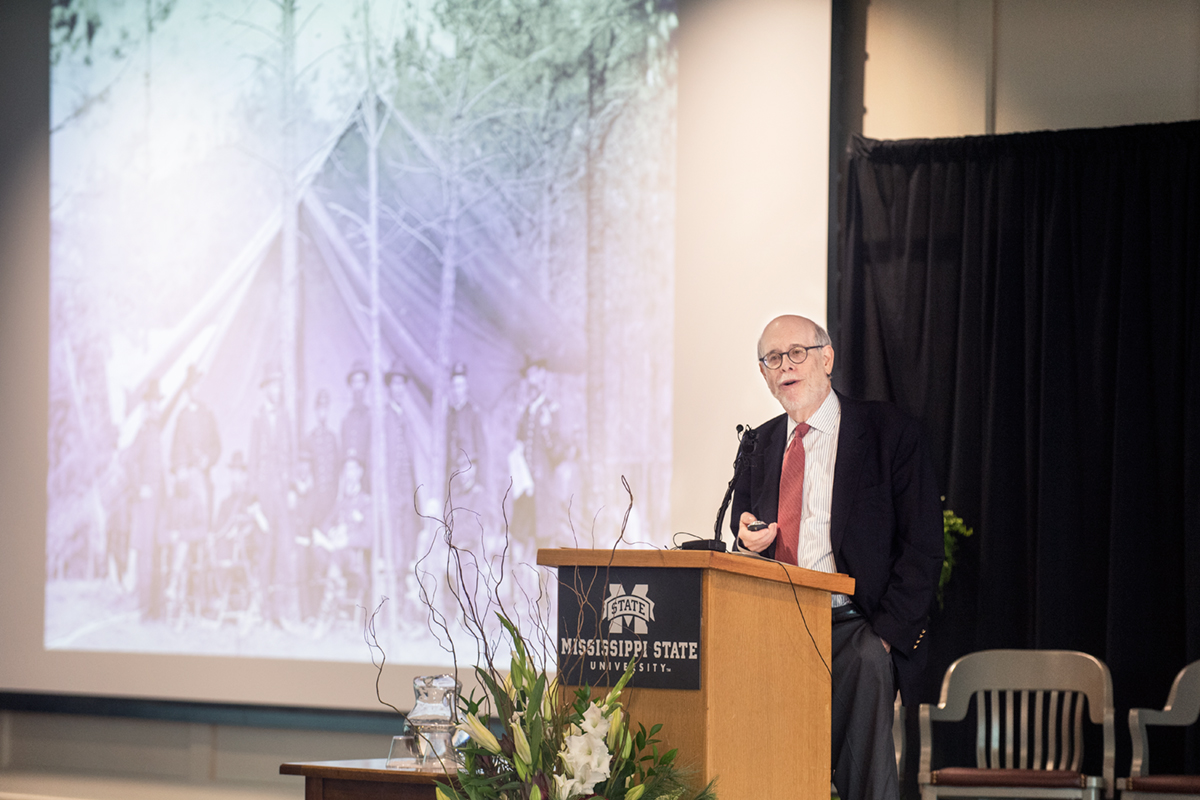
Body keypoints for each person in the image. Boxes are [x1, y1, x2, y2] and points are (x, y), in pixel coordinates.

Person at [731, 314, 943, 800]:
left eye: (797, 353)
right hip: (772, 625)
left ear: (827, 358)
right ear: (764, 375)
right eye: (772, 358)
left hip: (853, 626)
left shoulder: (889, 432)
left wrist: (886, 636)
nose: (785, 365)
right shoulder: (758, 444)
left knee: (868, 695)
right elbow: (741, 528)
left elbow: (923, 545)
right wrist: (745, 541)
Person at [446, 362, 487, 500]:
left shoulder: (473, 413)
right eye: (454, 386)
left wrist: (480, 481)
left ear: (466, 388)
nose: (457, 391)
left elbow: (482, 449)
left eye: (460, 386)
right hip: (454, 478)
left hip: (470, 478)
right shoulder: (449, 415)